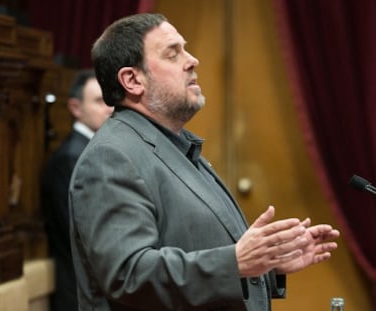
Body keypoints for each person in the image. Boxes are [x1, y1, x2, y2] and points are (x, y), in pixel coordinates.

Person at [69, 13, 340, 311]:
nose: (192, 60)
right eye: (173, 53)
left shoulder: (173, 145)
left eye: (185, 49)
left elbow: (199, 249)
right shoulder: (112, 157)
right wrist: (234, 262)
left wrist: (266, 265)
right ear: (133, 80)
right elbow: (129, 274)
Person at [41, 69, 114, 311]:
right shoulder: (72, 156)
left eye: (111, 100)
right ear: (75, 107)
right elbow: (82, 232)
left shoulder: (94, 149)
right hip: (80, 292)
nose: (110, 108)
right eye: (99, 101)